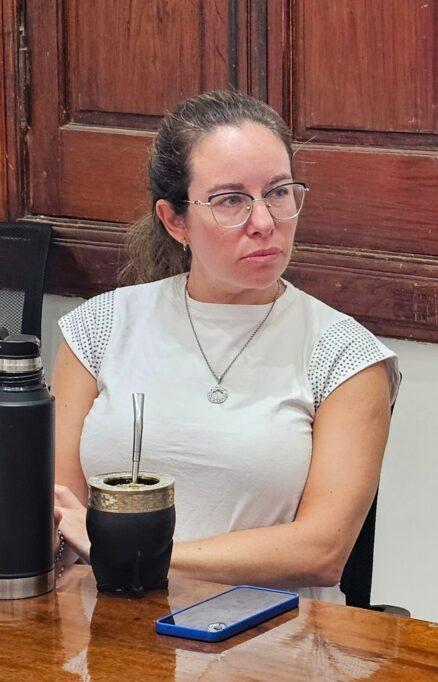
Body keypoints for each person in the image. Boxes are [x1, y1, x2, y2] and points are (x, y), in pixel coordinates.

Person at [51, 90, 400, 603]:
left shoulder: (345, 354)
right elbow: (62, 515)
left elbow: (321, 552)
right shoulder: (99, 328)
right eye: (231, 200)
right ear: (175, 220)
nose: (264, 222)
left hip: (268, 631)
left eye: (278, 192)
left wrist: (139, 557)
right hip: (102, 622)